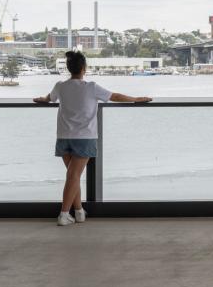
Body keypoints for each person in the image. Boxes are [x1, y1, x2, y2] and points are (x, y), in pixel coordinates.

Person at [33, 50, 151, 226]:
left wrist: (41, 99)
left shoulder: (60, 86)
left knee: (73, 176)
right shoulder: (91, 87)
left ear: (69, 68)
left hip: (64, 136)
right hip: (84, 137)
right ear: (84, 68)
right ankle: (64, 215)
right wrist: (136, 99)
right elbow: (115, 97)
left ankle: (79, 211)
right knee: (74, 176)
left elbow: (49, 98)